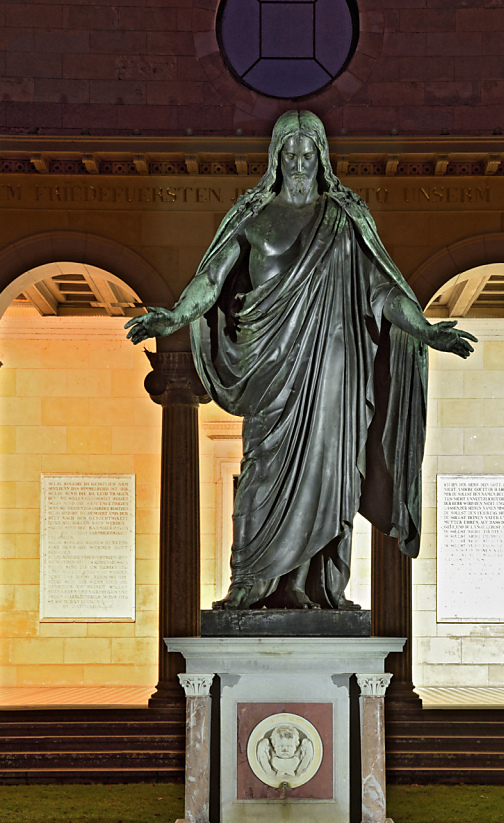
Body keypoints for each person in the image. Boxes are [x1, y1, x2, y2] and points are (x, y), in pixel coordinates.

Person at [126, 110, 476, 610]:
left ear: (321, 156)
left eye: (306, 152)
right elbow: (210, 278)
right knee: (262, 470)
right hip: (270, 370)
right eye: (287, 152)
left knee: (329, 471)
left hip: (333, 370)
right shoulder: (252, 216)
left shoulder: (344, 218)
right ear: (275, 157)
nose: (297, 162)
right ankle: (250, 581)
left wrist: (424, 329)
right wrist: (176, 315)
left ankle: (305, 586)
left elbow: (382, 290)